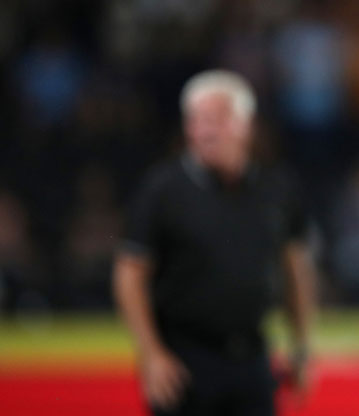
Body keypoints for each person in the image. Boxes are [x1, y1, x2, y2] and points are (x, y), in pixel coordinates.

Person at [113, 70, 315, 416]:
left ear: (246, 124)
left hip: (252, 356)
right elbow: (130, 273)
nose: (204, 130)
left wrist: (301, 345)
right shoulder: (162, 190)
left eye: (217, 118)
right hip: (183, 361)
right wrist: (151, 354)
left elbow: (295, 267)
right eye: (196, 119)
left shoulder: (278, 188)